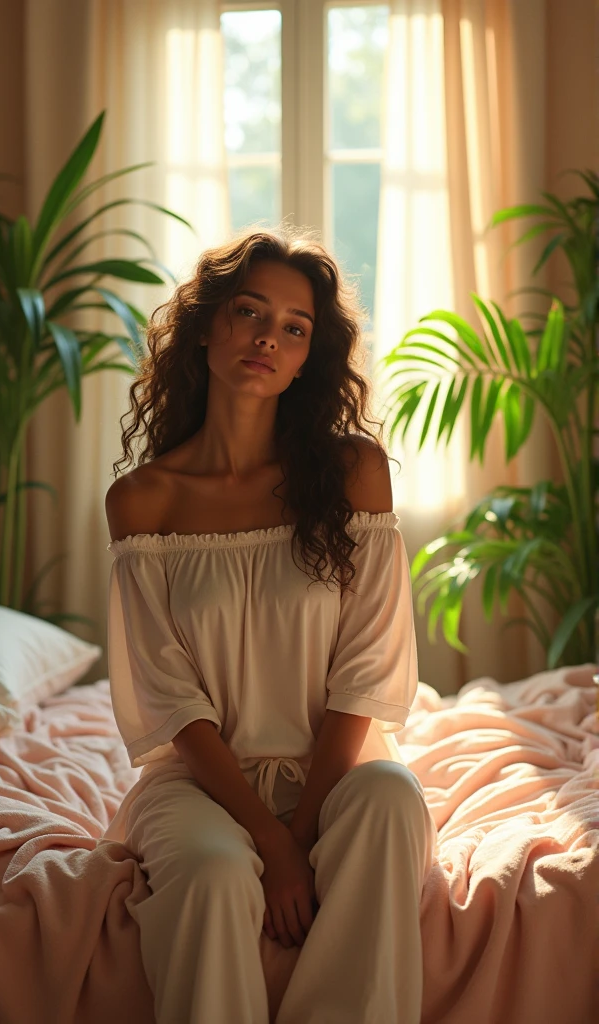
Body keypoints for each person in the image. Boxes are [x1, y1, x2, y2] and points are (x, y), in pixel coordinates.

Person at [102, 225, 438, 1024]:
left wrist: (306, 823)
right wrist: (271, 841)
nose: (269, 338)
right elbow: (173, 699)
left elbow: (366, 670)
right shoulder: (143, 502)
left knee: (391, 800)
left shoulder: (354, 473)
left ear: (309, 356)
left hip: (337, 765)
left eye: (295, 327)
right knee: (218, 877)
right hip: (201, 783)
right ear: (207, 324)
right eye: (250, 312)